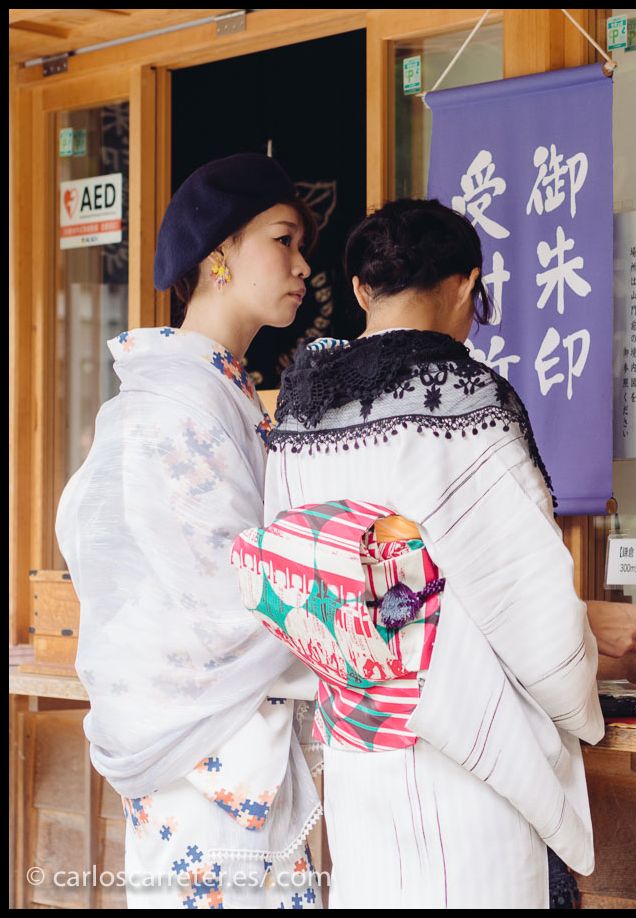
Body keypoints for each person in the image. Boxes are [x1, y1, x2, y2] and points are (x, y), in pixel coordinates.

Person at [263, 198, 604, 907]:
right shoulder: (464, 401)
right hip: (468, 743)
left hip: (360, 734)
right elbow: (526, 599)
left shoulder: (296, 415)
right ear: (465, 284)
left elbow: (292, 585)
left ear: (359, 290)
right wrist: (578, 693)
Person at [55, 153, 323, 908]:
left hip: (225, 739)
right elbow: (231, 592)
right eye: (284, 239)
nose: (303, 265)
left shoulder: (207, 391)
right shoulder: (175, 406)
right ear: (219, 256)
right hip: (208, 750)